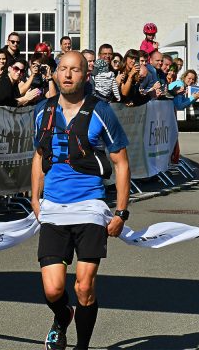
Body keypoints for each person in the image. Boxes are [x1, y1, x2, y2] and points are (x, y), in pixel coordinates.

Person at [31, 51, 130, 350]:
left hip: (90, 206)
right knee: (53, 289)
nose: (68, 75)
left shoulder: (101, 111)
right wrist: (35, 198)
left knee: (84, 287)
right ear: (56, 73)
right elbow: (38, 155)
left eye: (74, 70)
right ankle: (63, 318)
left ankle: (81, 346)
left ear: (85, 75)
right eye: (63, 69)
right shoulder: (43, 111)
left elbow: (121, 162)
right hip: (54, 209)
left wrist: (121, 212)